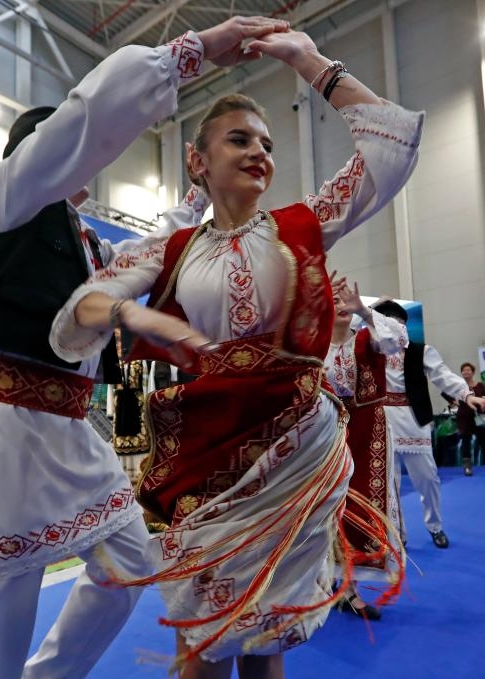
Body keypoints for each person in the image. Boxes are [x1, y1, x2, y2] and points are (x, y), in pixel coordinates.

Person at [0, 18, 283, 677]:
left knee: (130, 563)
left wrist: (202, 187)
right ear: (38, 154)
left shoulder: (86, 243)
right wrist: (188, 51)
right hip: (5, 427)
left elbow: (147, 252)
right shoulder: (4, 199)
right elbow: (83, 121)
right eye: (69, 150)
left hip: (72, 428)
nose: (89, 159)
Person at [49, 26, 423, 675]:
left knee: (266, 641)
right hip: (206, 462)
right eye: (240, 139)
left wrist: (311, 63)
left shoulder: (303, 225)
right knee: (202, 644)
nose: (259, 152)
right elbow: (77, 313)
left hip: (291, 459)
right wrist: (135, 312)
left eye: (268, 144)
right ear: (198, 161)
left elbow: (389, 145)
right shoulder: (166, 251)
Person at [323, 278, 409, 620]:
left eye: (347, 301)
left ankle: (349, 588)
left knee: (356, 506)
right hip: (322, 434)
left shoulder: (366, 340)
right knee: (318, 508)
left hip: (365, 432)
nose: (342, 306)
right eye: (334, 300)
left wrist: (364, 310)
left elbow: (398, 340)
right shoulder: (312, 347)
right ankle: (319, 585)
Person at [372, 300, 476, 550]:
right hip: (381, 420)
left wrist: (467, 394)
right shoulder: (372, 350)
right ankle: (397, 532)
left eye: (398, 323)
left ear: (404, 326)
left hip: (414, 418)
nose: (393, 328)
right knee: (389, 482)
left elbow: (443, 375)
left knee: (428, 479)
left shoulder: (420, 351)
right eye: (386, 322)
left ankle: (435, 526)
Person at [454, 362, 485, 477]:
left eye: (468, 370)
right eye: (463, 370)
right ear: (461, 373)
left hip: (479, 417)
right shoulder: (458, 385)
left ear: (473, 372)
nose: (466, 372)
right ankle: (467, 468)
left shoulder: (480, 385)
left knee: (484, 442)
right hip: (464, 417)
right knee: (466, 442)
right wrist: (452, 402)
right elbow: (444, 392)